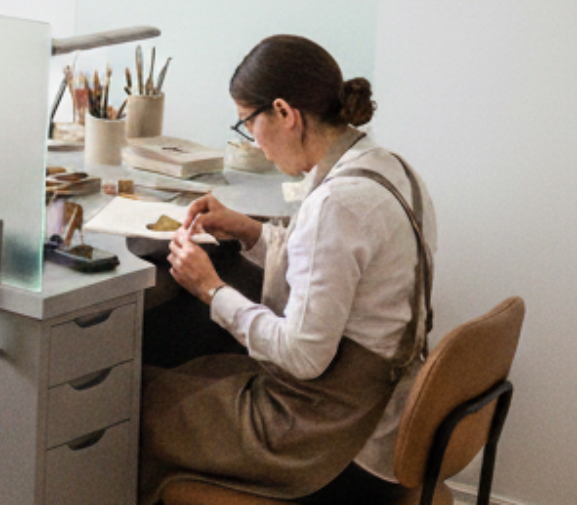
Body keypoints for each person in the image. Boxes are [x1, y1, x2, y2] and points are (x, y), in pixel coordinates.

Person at [139, 35, 436, 505]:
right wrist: (250, 232)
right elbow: (330, 264)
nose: (255, 143)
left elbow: (301, 357)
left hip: (333, 441)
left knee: (131, 405)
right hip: (385, 414)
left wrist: (212, 290)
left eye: (247, 123)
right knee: (187, 375)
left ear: (284, 112)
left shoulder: (338, 204)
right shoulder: (391, 169)